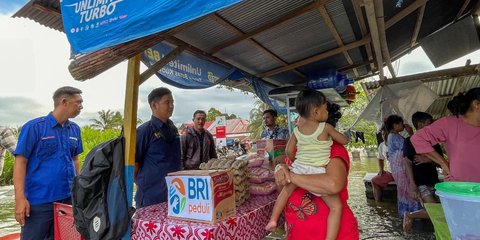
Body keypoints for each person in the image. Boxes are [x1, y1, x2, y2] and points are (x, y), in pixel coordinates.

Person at [270, 94, 357, 240]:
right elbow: (281, 187)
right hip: (298, 232)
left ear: (314, 117)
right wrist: (280, 168)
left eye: (300, 115)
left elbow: (333, 184)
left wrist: (291, 175)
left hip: (335, 234)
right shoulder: (300, 150)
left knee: (336, 206)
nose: (296, 120)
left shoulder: (333, 149)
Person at [13, 86, 84, 239]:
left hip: (67, 199)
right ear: (64, 102)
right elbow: (20, 162)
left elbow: (75, 160)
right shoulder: (34, 128)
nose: (81, 107)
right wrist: (20, 199)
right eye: (78, 102)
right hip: (39, 201)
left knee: (63, 237)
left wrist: (79, 189)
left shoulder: (75, 130)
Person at [412, 87, 480, 182]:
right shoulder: (449, 123)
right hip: (458, 188)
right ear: (477, 104)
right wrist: (443, 163)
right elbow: (418, 138)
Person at [135, 87, 182, 208]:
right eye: (167, 102)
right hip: (151, 197)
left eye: (173, 102)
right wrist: (144, 184)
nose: (171, 106)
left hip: (176, 195)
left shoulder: (173, 129)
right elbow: (133, 164)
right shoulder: (144, 131)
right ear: (154, 105)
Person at [403, 111, 442, 233]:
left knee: (438, 212)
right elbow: (407, 162)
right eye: (429, 123)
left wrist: (429, 159)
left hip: (434, 181)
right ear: (420, 124)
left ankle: (437, 233)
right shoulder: (409, 141)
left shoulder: (433, 142)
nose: (431, 126)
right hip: (420, 182)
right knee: (436, 210)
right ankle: (410, 215)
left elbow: (442, 162)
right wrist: (412, 185)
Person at [385, 115, 422, 219]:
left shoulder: (392, 136)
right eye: (401, 123)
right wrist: (411, 133)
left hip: (399, 170)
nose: (403, 125)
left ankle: (406, 214)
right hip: (402, 170)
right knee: (409, 191)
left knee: (404, 192)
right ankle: (413, 215)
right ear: (395, 125)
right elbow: (412, 146)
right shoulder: (394, 137)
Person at [371, 127, 395, 202]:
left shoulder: (397, 142)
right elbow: (380, 158)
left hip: (401, 173)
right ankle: (378, 203)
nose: (384, 136)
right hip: (391, 173)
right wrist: (381, 169)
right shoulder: (382, 145)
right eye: (383, 134)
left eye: (386, 134)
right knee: (374, 181)